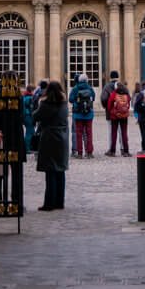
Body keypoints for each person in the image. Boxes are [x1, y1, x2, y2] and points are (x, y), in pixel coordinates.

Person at [34, 80, 69, 210]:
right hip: (62, 138)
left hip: (49, 138)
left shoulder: (46, 104)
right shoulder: (64, 104)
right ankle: (59, 201)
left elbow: (35, 116)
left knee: (50, 171)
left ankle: (49, 203)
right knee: (60, 171)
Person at [70, 71, 96, 157]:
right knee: (89, 134)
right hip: (88, 114)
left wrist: (76, 101)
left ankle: (80, 153)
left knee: (79, 134)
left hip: (78, 114)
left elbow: (70, 99)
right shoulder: (90, 88)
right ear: (87, 80)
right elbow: (93, 98)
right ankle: (89, 152)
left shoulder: (75, 88)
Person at [107, 78, 132, 155]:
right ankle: (126, 151)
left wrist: (111, 111)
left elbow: (109, 104)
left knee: (114, 133)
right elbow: (128, 104)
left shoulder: (114, 93)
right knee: (124, 133)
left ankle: (112, 151)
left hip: (115, 116)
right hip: (124, 116)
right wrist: (125, 110)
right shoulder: (126, 94)